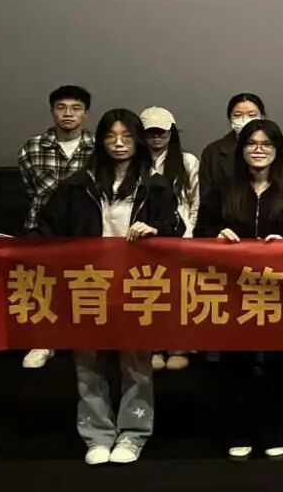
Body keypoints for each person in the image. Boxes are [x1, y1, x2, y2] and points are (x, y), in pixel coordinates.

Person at [31, 108, 180, 466]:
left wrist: (155, 230)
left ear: (138, 141)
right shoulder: (78, 184)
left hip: (137, 285)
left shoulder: (155, 185)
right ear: (100, 141)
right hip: (89, 284)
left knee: (136, 364)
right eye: (111, 136)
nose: (119, 143)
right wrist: (4, 249)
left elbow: (175, 230)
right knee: (88, 364)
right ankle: (96, 434)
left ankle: (133, 434)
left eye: (126, 136)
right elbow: (47, 229)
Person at [195, 119, 283, 461]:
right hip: (234, 288)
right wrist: (217, 235)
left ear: (278, 151)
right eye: (252, 144)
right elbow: (201, 229)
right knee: (234, 363)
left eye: (267, 144)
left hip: (281, 288)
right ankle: (237, 432)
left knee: (282, 364)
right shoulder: (224, 189)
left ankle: (279, 432)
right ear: (241, 150)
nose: (259, 150)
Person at [16, 84, 95, 370]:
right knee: (42, 286)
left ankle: (85, 340)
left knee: (85, 285)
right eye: (61, 108)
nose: (68, 114)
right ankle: (43, 342)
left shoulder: (98, 148)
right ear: (52, 112)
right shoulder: (32, 147)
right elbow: (31, 189)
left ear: (86, 114)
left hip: (85, 229)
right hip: (42, 226)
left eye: (76, 108)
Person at [140, 106, 200, 372]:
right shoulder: (134, 162)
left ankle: (178, 347)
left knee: (179, 295)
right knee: (149, 293)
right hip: (143, 239)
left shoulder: (187, 162)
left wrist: (190, 236)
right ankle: (152, 346)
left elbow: (195, 202)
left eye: (161, 132)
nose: (156, 137)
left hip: (180, 239)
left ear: (171, 133)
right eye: (150, 132)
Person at [199, 92, 266, 204]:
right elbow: (206, 195)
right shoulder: (213, 152)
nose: (244, 120)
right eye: (237, 115)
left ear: (262, 117)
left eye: (252, 115)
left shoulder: (277, 150)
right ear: (230, 118)